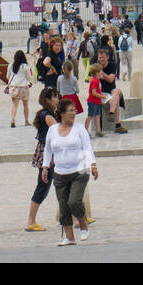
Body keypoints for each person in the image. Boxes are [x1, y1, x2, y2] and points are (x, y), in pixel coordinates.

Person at [41, 99, 98, 246]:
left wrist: (93, 164)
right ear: (61, 113)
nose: (73, 113)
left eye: (74, 111)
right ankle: (69, 237)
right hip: (60, 173)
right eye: (70, 111)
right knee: (64, 206)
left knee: (74, 201)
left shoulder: (80, 129)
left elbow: (87, 147)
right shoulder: (53, 130)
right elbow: (47, 149)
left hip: (79, 171)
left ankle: (83, 224)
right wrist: (45, 167)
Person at [24, 89, 60, 232]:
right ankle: (30, 221)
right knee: (43, 186)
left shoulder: (46, 114)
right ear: (49, 100)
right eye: (55, 97)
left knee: (62, 183)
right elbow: (59, 133)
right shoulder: (48, 116)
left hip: (47, 152)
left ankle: (74, 218)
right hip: (48, 154)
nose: (58, 99)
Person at [7, 51, 33, 128]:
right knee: (25, 105)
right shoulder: (25, 66)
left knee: (15, 105)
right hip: (24, 87)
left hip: (14, 87)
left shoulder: (11, 65)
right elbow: (28, 77)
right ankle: (26, 121)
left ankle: (12, 120)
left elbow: (7, 76)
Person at [85, 63, 105, 137]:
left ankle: (98, 131)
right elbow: (93, 93)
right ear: (96, 72)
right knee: (90, 115)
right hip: (93, 101)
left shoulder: (96, 80)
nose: (101, 73)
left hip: (97, 101)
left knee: (97, 116)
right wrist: (102, 96)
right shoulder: (95, 81)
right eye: (100, 71)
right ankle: (86, 129)